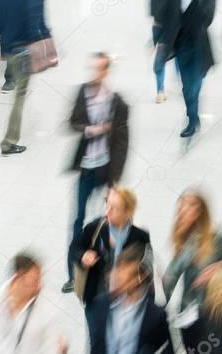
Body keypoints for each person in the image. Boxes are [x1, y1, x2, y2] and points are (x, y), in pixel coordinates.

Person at [63, 54, 131, 290]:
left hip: (105, 168)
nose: (95, 73)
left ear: (106, 71)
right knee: (78, 220)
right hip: (85, 167)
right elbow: (71, 122)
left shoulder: (117, 102)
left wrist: (115, 180)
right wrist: (92, 130)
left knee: (112, 219)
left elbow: (122, 143)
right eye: (93, 68)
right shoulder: (82, 93)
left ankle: (114, 268)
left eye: (100, 68)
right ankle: (73, 273)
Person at [162, 190, 222, 351]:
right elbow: (169, 281)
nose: (182, 212)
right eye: (180, 208)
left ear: (199, 212)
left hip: (213, 314)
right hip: (187, 315)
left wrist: (220, 269)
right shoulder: (182, 239)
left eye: (187, 208)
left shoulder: (218, 237)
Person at [0, 0, 50, 154]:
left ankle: (9, 140)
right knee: (19, 97)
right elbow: (36, 23)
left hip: (8, 49)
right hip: (24, 50)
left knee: (17, 93)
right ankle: (9, 142)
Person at [164, 0, 216, 139]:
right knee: (186, 88)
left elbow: (207, 19)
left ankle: (193, 120)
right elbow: (167, 14)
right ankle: (192, 117)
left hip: (199, 49)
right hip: (180, 47)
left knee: (194, 88)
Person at [86, 243, 172, 353]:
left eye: (123, 269)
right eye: (117, 267)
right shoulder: (96, 306)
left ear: (141, 277)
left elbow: (166, 345)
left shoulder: (157, 316)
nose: (114, 275)